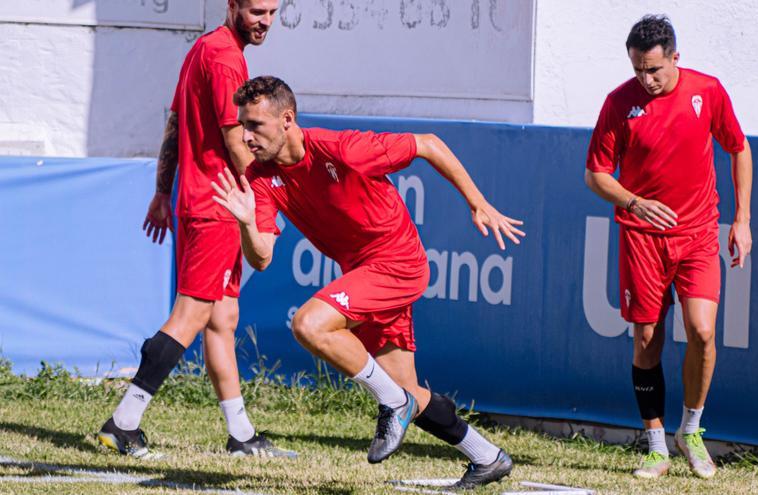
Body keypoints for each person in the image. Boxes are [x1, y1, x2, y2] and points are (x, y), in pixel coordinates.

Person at [211, 75, 524, 488]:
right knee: (408, 387)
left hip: (397, 262)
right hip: (361, 272)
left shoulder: (342, 149)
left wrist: (477, 202)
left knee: (309, 324)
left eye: (255, 125)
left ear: (287, 119)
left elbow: (428, 143)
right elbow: (262, 258)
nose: (245, 136)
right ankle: (487, 457)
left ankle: (393, 403)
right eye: (243, 126)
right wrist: (248, 223)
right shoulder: (260, 179)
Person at [97, 0, 294, 459]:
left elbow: (174, 122)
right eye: (256, 11)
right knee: (189, 316)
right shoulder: (226, 58)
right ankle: (122, 423)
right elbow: (235, 141)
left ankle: (240, 434)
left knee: (222, 320)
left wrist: (164, 191)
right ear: (232, 6)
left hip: (200, 199)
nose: (264, 21)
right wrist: (267, 200)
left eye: (272, 12)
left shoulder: (206, 48)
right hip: (219, 204)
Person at [584, 15, 753, 479]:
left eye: (655, 69)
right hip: (642, 239)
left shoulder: (707, 91)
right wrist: (634, 203)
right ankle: (656, 443)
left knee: (701, 332)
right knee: (646, 342)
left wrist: (741, 219)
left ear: (674, 58)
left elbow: (739, 147)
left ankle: (691, 431)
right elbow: (596, 174)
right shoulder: (619, 103)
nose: (647, 79)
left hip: (698, 234)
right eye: (639, 69)